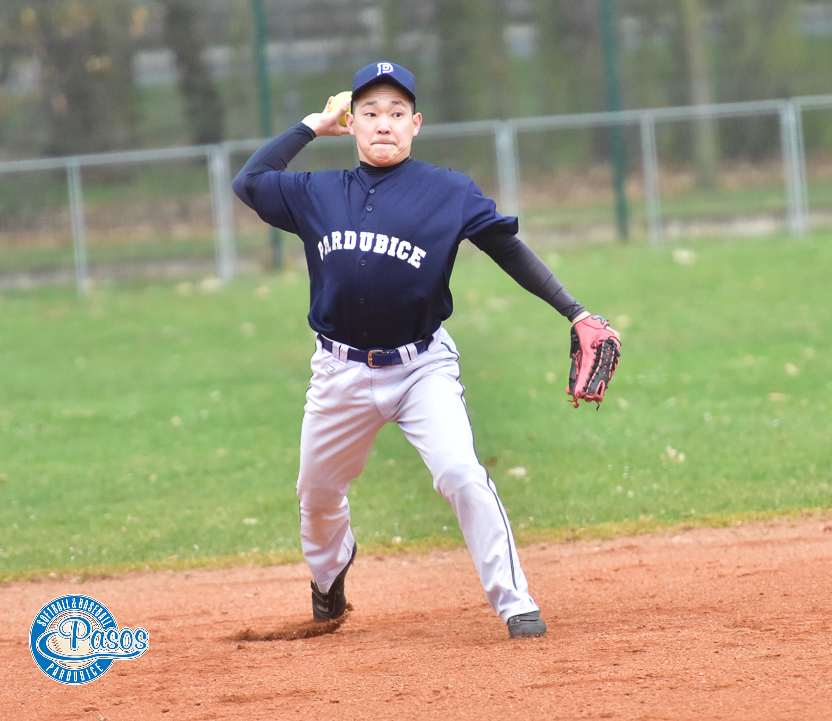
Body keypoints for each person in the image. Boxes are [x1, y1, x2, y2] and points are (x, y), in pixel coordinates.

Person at [232, 61, 609, 639]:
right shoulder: (317, 193)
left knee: (460, 470)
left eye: (397, 113)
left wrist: (576, 311)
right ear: (351, 124)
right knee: (317, 493)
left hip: (421, 368)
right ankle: (328, 580)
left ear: (416, 125)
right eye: (370, 113)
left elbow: (507, 249)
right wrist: (310, 125)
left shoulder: (448, 192)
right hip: (338, 371)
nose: (384, 123)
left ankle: (516, 605)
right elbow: (250, 183)